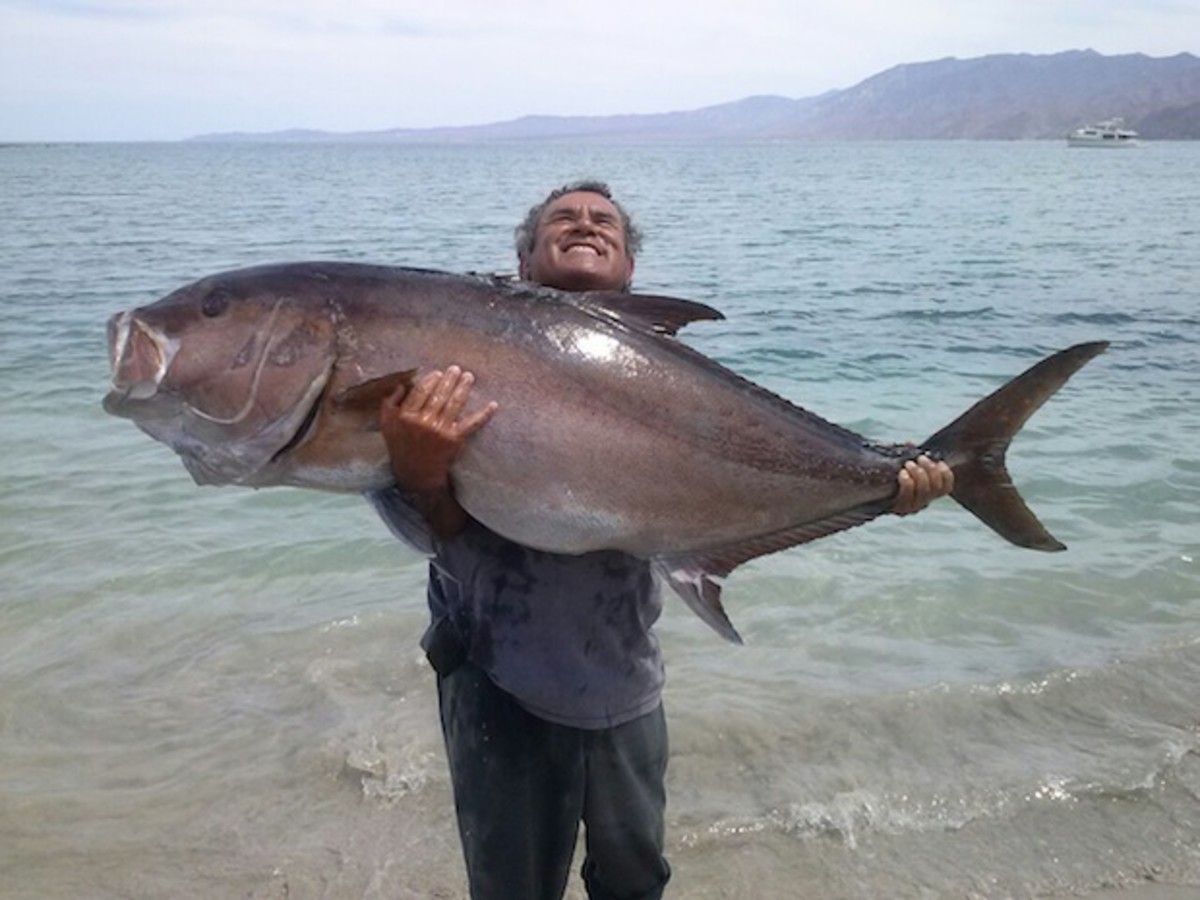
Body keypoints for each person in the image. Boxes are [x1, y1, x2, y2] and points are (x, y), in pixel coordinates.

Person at [378, 181, 953, 900]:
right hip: (496, 682)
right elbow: (423, 530)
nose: (584, 224)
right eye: (562, 219)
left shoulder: (655, 373)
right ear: (522, 261)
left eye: (603, 222)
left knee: (635, 880)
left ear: (629, 273)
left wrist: (880, 484)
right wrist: (420, 472)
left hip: (624, 678)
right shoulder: (453, 356)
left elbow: (747, 468)